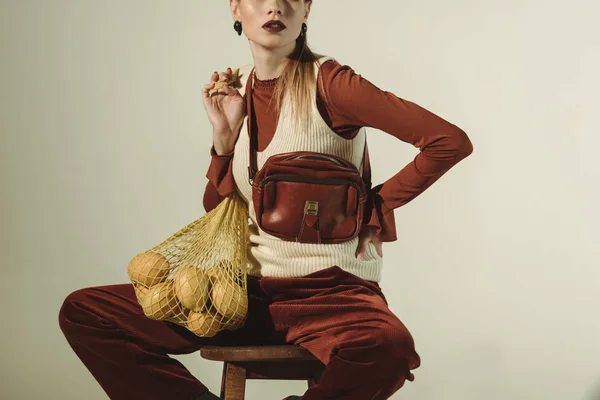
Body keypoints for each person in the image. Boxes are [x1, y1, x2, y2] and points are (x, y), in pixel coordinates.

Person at [58, 1, 473, 399]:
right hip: (245, 296)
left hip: (333, 296)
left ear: (307, 8)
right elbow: (219, 210)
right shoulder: (238, 91)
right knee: (87, 312)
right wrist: (223, 139)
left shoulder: (332, 84)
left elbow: (447, 141)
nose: (275, 7)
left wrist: (375, 207)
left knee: (389, 349)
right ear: (236, 8)